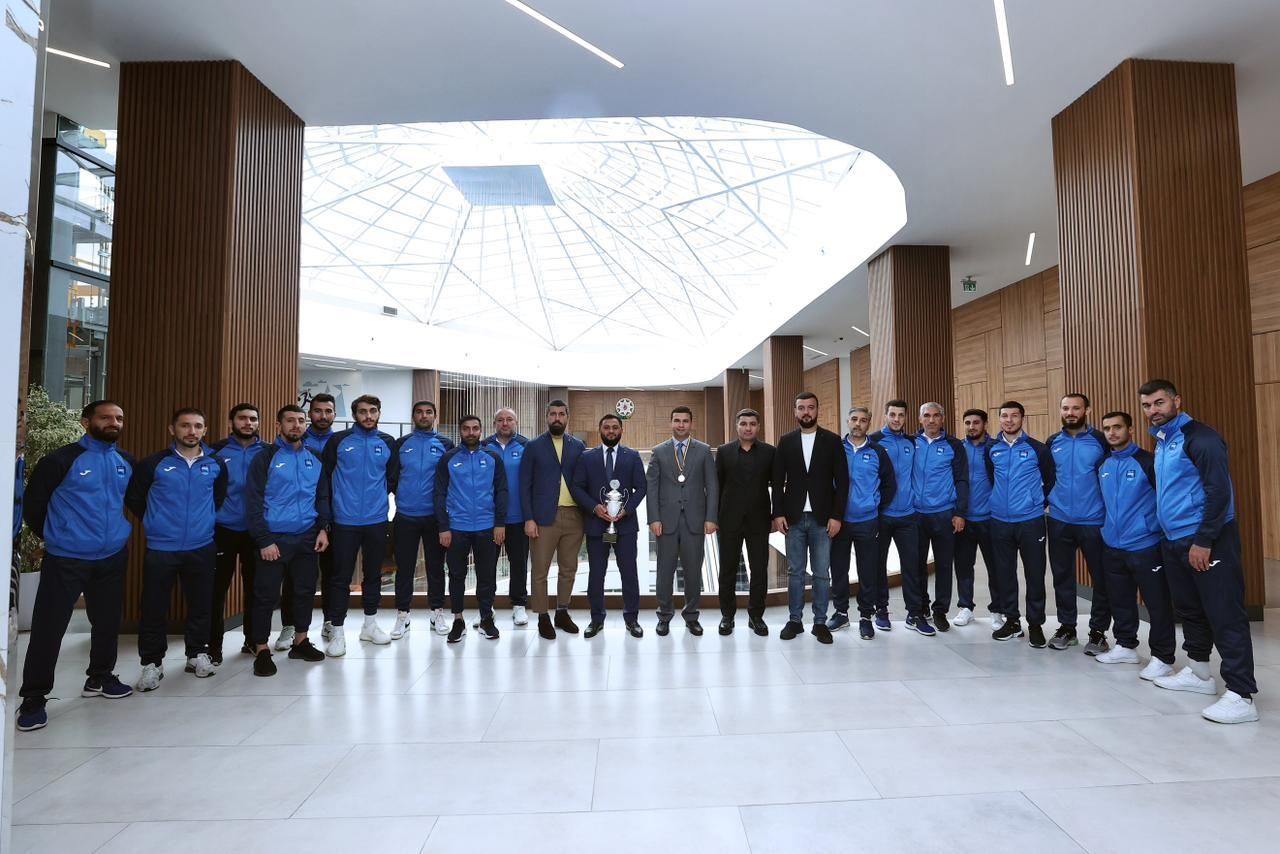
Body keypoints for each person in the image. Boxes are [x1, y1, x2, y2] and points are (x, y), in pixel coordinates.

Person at [1140, 379, 1259, 724]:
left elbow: (1219, 492)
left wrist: (1204, 540)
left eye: (1159, 403)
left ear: (1177, 400)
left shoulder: (1201, 438)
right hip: (1174, 539)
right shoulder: (1163, 440)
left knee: (1225, 613)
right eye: (1147, 405)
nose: (1153, 411)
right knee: (1190, 609)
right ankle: (1199, 673)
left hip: (1206, 538)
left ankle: (1241, 694)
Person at [17, 401, 135, 732]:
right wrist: (58, 536)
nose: (114, 422)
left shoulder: (126, 462)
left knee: (108, 622)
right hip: (67, 557)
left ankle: (100, 677)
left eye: (119, 418)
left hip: (112, 556)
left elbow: (136, 501)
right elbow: (34, 505)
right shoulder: (60, 460)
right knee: (49, 627)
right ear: (86, 422)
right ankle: (34, 697)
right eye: (106, 417)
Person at [127, 408, 229, 691]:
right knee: (154, 606)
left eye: (197, 426)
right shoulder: (153, 463)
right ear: (172, 429)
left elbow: (218, 498)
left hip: (202, 545)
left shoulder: (216, 463)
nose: (191, 431)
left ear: (205, 430)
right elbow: (135, 499)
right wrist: (156, 522)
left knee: (201, 604)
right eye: (185, 425)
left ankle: (197, 654)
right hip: (162, 547)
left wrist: (203, 522)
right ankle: (152, 663)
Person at [244, 405, 331, 675]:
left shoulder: (315, 457)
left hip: (307, 537)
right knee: (266, 596)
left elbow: (322, 496)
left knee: (304, 591)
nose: (296, 425)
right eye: (290, 421)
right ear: (278, 425)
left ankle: (300, 641)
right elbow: (253, 501)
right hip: (274, 539)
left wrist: (323, 528)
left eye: (301, 421)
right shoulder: (265, 458)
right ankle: (261, 649)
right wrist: (263, 539)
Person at [1094, 410, 1176, 680]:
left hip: (1145, 544)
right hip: (1112, 544)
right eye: (1107, 428)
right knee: (1120, 599)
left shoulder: (1147, 461)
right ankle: (1126, 645)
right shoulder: (1103, 465)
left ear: (1130, 430)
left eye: (1117, 427)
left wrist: (1153, 529)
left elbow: (1164, 499)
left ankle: (1163, 657)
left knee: (1157, 604)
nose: (1112, 433)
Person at [321, 394, 399, 655]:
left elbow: (391, 478)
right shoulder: (338, 441)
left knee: (373, 574)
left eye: (373, 411)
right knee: (340, 577)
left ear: (378, 413)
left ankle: (370, 624)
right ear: (355, 415)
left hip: (376, 520)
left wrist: (376, 499)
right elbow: (325, 478)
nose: (368, 416)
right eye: (363, 411)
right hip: (344, 520)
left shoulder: (387, 442)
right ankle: (337, 631)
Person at [772, 392, 849, 644]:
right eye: (801, 408)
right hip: (793, 518)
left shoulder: (832, 440)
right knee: (795, 572)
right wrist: (778, 513)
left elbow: (843, 482)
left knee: (821, 573)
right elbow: (777, 481)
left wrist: (837, 516)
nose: (806, 412)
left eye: (810, 407)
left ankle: (820, 623)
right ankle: (795, 621)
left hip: (822, 518)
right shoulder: (786, 441)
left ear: (817, 410)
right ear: (795, 411)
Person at [1045, 394, 1113, 654]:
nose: (1070, 413)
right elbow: (1048, 476)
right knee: (1062, 577)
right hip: (1059, 519)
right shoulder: (1053, 442)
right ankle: (1067, 627)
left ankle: (1098, 632)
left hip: (1094, 520)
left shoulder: (1101, 440)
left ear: (1087, 410)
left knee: (1101, 578)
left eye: (1076, 408)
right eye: (1066, 408)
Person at [985, 400, 1055, 646]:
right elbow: (991, 477)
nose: (1009, 420)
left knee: (1034, 574)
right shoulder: (991, 449)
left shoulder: (1038, 449)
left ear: (1022, 419)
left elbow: (1050, 479)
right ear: (999, 419)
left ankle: (1035, 625)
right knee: (1004, 574)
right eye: (1004, 416)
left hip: (1030, 521)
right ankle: (1012, 621)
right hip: (999, 521)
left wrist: (1034, 501)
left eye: (1014, 416)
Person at [571, 413, 647, 638]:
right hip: (597, 525)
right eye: (607, 427)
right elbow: (577, 487)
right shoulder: (587, 457)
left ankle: (632, 619)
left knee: (629, 574)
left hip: (625, 526)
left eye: (615, 427)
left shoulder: (632, 456)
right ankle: (596, 619)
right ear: (600, 430)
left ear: (621, 430)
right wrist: (595, 507)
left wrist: (627, 509)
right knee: (596, 574)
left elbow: (642, 487)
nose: (611, 431)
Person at [209, 403, 274, 663]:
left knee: (256, 589)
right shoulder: (214, 451)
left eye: (253, 419)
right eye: (242, 418)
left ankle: (253, 641)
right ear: (231, 422)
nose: (248, 423)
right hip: (222, 529)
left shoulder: (269, 452)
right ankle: (213, 648)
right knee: (216, 590)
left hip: (256, 531)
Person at [435, 414, 507, 643]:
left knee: (487, 576)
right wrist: (443, 526)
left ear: (481, 430)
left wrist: (500, 523)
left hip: (487, 526)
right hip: (457, 527)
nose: (471, 432)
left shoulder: (493, 457)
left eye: (475, 428)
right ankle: (458, 620)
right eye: (466, 428)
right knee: (457, 575)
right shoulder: (449, 458)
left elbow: (502, 491)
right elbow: (439, 494)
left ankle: (486, 618)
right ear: (460, 431)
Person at [646, 406, 718, 636]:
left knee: (693, 573)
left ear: (691, 424)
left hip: (695, 521)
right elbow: (651, 488)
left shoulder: (704, 450)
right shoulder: (658, 451)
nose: (681, 425)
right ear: (671, 423)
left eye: (685, 421)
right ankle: (664, 615)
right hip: (666, 522)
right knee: (664, 572)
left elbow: (712, 486)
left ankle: (691, 616)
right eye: (677, 420)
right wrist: (653, 518)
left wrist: (711, 518)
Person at [519, 399, 586, 639]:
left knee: (568, 568)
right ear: (546, 417)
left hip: (574, 516)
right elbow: (524, 485)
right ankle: (542, 616)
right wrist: (529, 518)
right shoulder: (533, 446)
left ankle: (562, 612)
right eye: (553, 414)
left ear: (567, 417)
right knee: (540, 570)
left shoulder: (578, 445)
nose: (557, 418)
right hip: (543, 518)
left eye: (561, 414)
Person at [829, 406, 895, 640]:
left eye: (863, 420)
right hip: (839, 521)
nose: (858, 423)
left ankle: (866, 616)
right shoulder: (835, 449)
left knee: (867, 570)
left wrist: (874, 505)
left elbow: (889, 484)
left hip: (867, 521)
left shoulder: (878, 451)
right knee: (839, 569)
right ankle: (841, 613)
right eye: (854, 419)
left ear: (869, 423)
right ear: (847, 421)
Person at [392, 400, 453, 639]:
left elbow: (449, 480)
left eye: (428, 412)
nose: (424, 416)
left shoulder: (445, 444)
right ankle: (402, 615)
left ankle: (437, 612)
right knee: (404, 568)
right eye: (419, 412)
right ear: (413, 416)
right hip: (405, 515)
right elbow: (392, 477)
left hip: (434, 516)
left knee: (436, 568)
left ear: (434, 416)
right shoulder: (401, 444)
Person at [715, 408, 775, 636]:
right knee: (727, 570)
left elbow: (777, 486)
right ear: (737, 426)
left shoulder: (770, 452)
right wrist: (714, 518)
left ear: (758, 427)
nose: (748, 428)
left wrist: (775, 516)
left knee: (759, 570)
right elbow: (717, 486)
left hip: (759, 521)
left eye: (752, 424)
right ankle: (727, 616)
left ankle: (756, 616)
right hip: (728, 520)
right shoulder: (723, 452)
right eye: (743, 424)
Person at [912, 402, 968, 633]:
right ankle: (921, 607)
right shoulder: (911, 443)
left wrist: (960, 512)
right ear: (920, 419)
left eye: (936, 416)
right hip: (916, 514)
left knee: (944, 565)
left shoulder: (954, 445)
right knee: (917, 565)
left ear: (942, 419)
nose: (931, 420)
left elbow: (962, 479)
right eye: (927, 415)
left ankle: (940, 611)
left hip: (944, 514)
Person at [868, 399, 920, 631]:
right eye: (892, 414)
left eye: (901, 415)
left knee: (912, 565)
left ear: (906, 417)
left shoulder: (912, 442)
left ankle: (914, 614)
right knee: (878, 565)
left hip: (908, 515)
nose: (897, 419)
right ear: (885, 415)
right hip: (882, 514)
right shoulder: (874, 441)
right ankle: (881, 610)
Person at [482, 407, 531, 627]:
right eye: (500, 420)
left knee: (518, 564)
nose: (505, 423)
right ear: (494, 424)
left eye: (509, 419)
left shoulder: (526, 446)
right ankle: (487, 607)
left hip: (518, 517)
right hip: (489, 518)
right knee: (487, 565)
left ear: (516, 422)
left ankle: (519, 605)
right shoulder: (483, 446)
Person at [955, 408, 997, 628]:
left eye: (976, 423)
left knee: (995, 567)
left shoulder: (994, 448)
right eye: (967, 423)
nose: (971, 427)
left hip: (990, 518)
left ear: (985, 424)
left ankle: (997, 610)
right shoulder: (958, 448)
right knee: (963, 566)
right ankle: (965, 607)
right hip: (963, 518)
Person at [303, 393, 338, 639]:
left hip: (335, 516)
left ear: (334, 415)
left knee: (331, 573)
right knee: (298, 576)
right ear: (310, 413)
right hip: (301, 516)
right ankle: (293, 626)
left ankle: (330, 620)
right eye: (318, 411)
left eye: (328, 411)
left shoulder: (341, 441)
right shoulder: (297, 440)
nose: (323, 416)